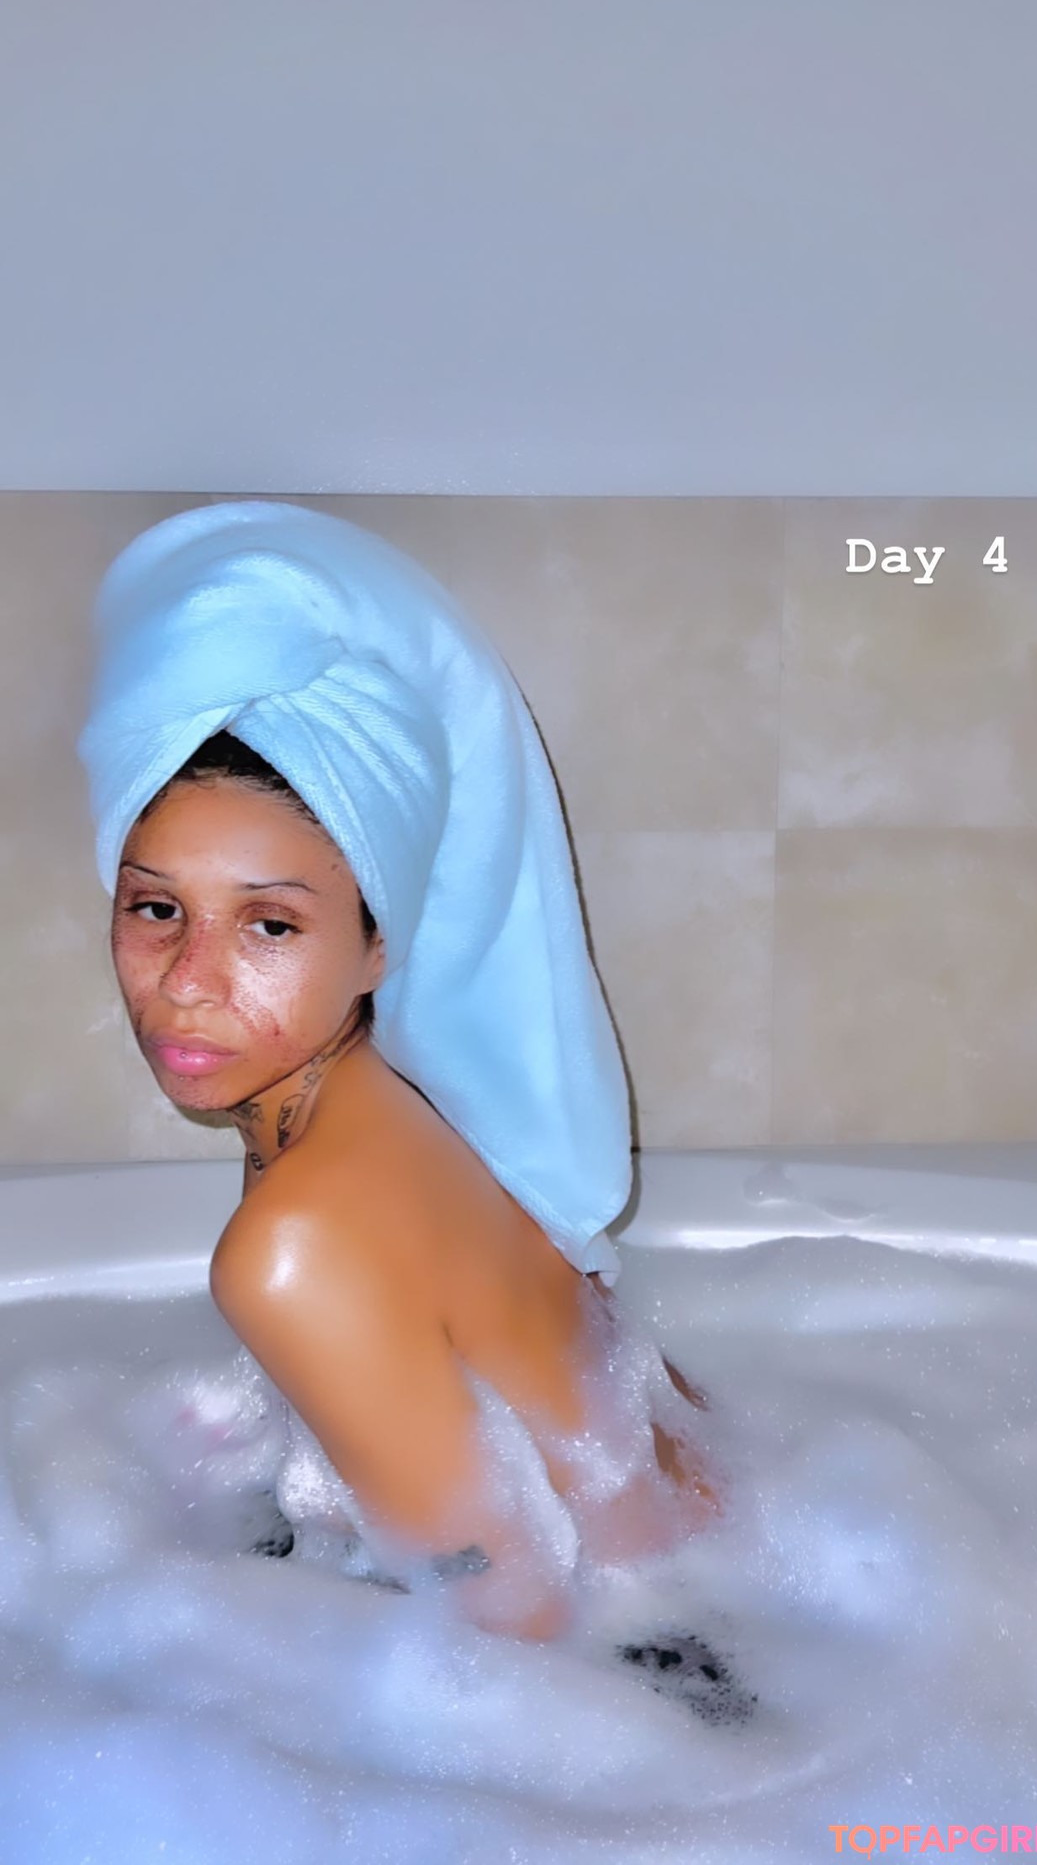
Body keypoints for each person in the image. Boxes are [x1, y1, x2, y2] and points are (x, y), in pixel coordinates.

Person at [81, 501, 725, 1648]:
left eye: (270, 925)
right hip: (712, 1558)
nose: (189, 981)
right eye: (157, 907)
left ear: (380, 945)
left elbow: (511, 1612)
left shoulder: (292, 1243)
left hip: (659, 1657)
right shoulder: (385, 1102)